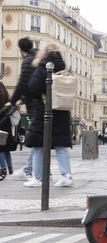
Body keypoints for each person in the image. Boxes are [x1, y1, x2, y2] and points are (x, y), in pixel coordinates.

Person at [24, 44, 73, 188]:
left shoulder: (43, 66)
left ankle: (38, 177)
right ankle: (66, 175)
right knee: (60, 146)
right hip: (62, 111)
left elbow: (33, 88)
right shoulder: (64, 68)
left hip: (44, 111)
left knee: (39, 145)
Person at [9, 37, 38, 180]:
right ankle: (36, 169)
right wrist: (22, 100)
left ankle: (29, 169)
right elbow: (33, 86)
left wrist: (13, 100)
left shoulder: (27, 61)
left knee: (36, 140)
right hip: (39, 104)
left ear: (21, 50)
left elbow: (23, 84)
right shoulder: (38, 58)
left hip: (36, 107)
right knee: (40, 141)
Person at [0, 82, 18, 177]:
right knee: (6, 148)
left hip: (0, 124)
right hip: (7, 125)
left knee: (0, 148)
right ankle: (10, 168)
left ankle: (2, 168)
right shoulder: (7, 101)